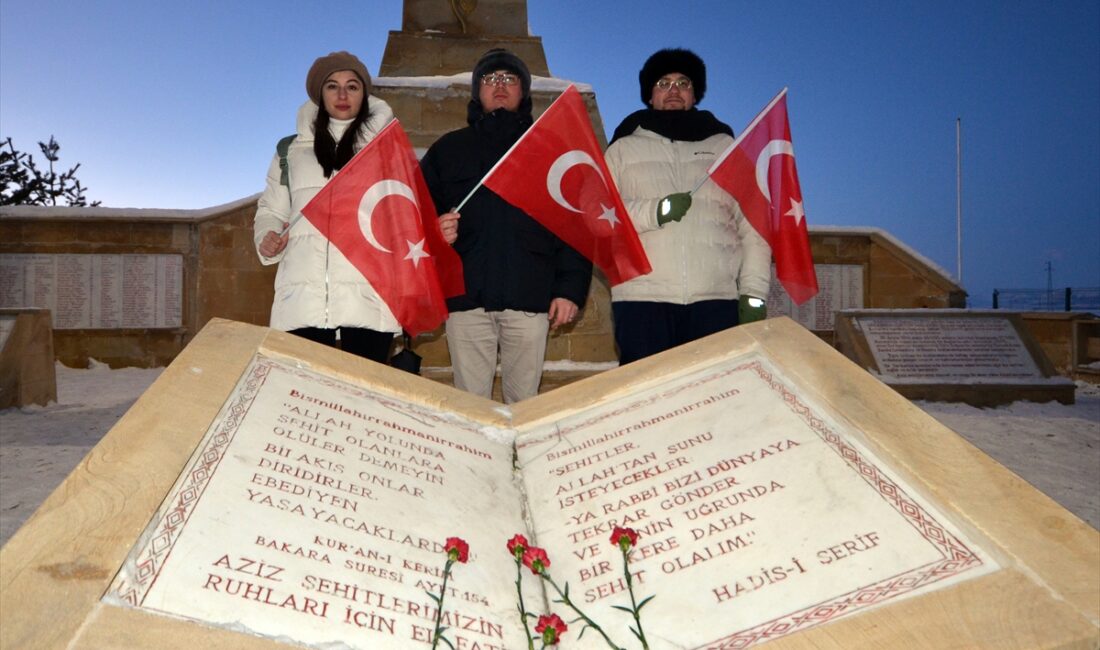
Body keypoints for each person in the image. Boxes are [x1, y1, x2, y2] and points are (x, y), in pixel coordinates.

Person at [421, 49, 592, 403]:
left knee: (525, 405)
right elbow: (415, 215)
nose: (500, 86)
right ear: (477, 91)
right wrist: (436, 231)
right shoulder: (448, 149)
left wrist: (569, 290)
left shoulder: (549, 151)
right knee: (471, 406)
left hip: (530, 297)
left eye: (509, 79)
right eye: (490, 78)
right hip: (465, 299)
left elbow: (576, 225)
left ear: (523, 91)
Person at [605, 48, 772, 365]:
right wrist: (655, 211)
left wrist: (752, 292)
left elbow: (754, 225)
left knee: (711, 398)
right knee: (645, 396)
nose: (673, 91)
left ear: (695, 94)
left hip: (714, 300)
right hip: (642, 299)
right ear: (650, 95)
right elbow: (598, 215)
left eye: (683, 83)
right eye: (663, 83)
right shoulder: (622, 149)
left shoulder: (724, 148)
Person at [253, 51, 400, 363]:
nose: (343, 95)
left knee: (363, 397)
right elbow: (272, 211)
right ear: (320, 94)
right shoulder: (290, 151)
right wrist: (267, 236)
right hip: (303, 296)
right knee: (306, 400)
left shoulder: (386, 148)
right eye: (332, 86)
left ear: (364, 93)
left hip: (368, 295)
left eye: (352, 86)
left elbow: (402, 214)